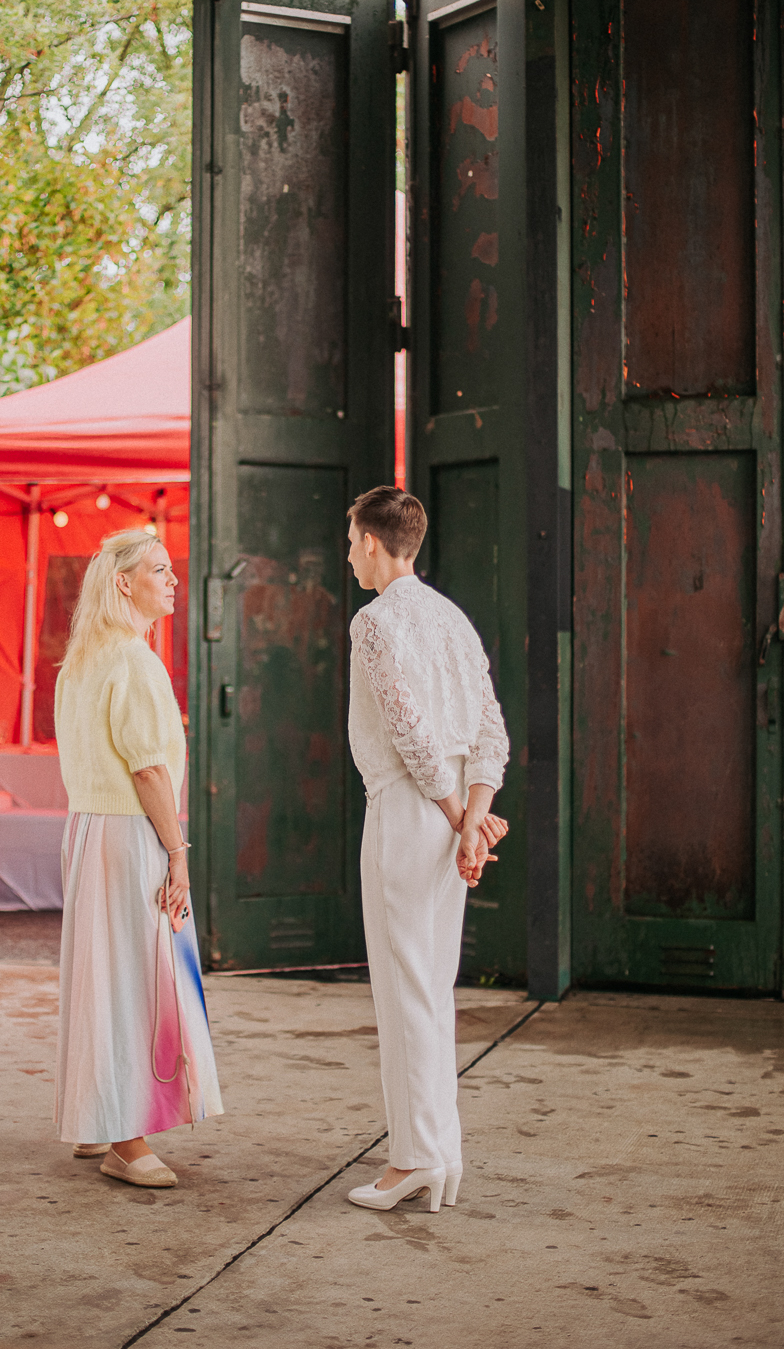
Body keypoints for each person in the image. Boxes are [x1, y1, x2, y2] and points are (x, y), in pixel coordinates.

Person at [344, 487, 509, 1214]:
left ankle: (412, 1159)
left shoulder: (375, 622)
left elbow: (409, 729)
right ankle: (439, 1154)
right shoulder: (452, 618)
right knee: (431, 986)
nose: (349, 553)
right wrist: (475, 815)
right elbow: (491, 731)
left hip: (410, 815)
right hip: (448, 819)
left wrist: (455, 815)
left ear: (376, 543)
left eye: (352, 541)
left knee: (404, 988)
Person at [53, 528, 222, 1188]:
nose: (173, 579)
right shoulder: (134, 661)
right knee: (138, 983)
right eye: (160, 569)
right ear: (124, 582)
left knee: (98, 976)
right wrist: (177, 853)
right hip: (129, 837)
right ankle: (128, 1139)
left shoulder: (81, 660)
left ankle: (96, 1119)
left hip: (90, 831)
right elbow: (150, 771)